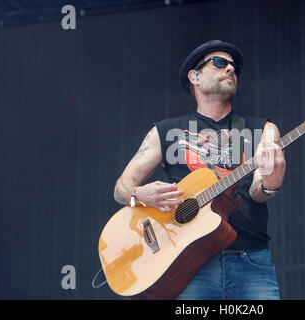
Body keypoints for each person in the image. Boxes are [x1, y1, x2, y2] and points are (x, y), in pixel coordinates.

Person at [113, 40, 286, 300]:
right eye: (219, 62)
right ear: (194, 76)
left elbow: (256, 192)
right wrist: (140, 194)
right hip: (187, 264)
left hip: (250, 259)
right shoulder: (165, 131)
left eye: (234, 66)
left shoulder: (262, 130)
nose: (230, 68)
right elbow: (121, 188)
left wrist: (270, 185)